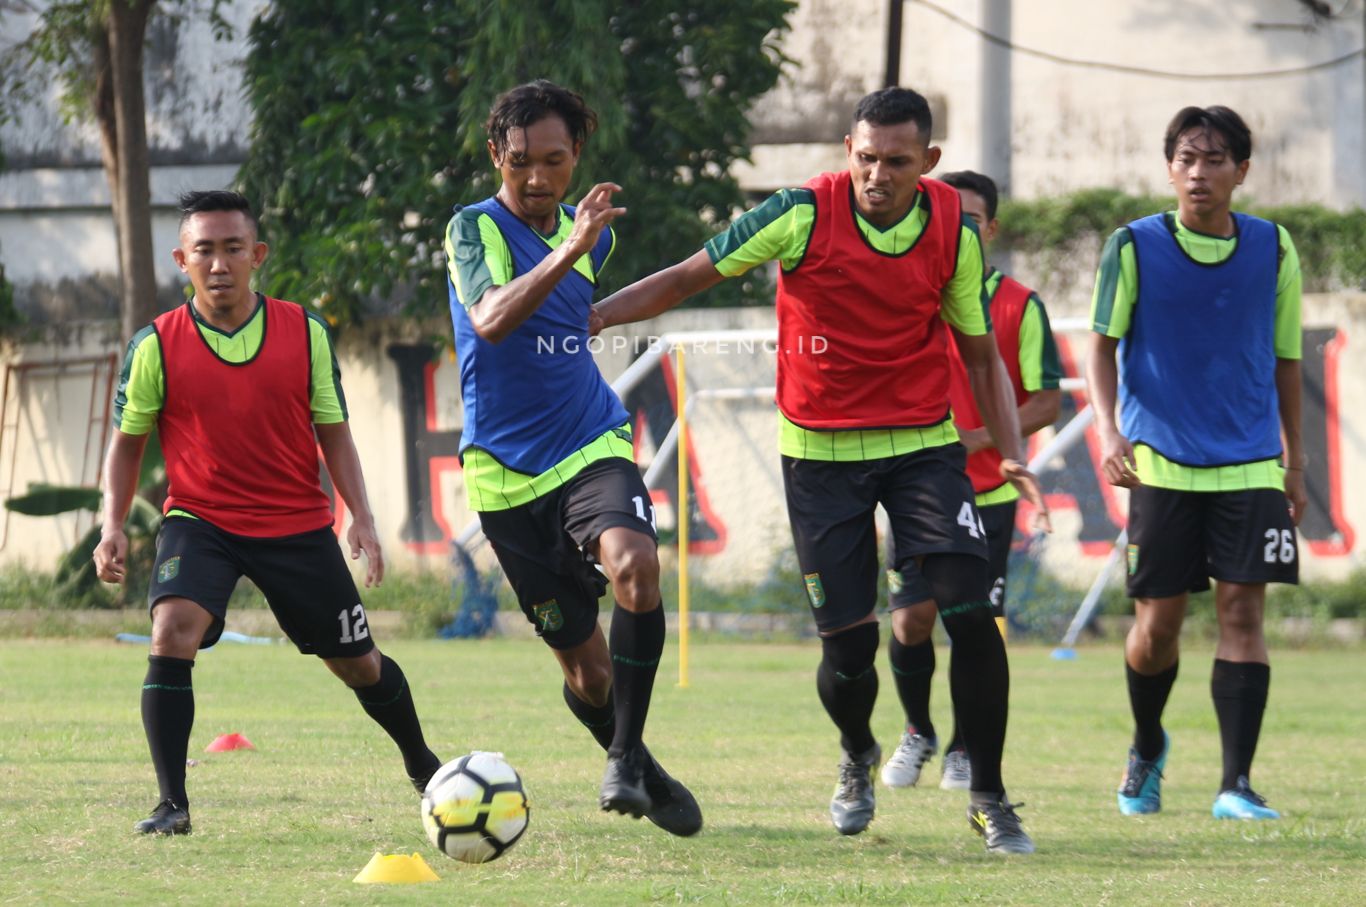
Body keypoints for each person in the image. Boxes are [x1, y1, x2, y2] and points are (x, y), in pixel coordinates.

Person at [593, 87, 1049, 854]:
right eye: (864, 157)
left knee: (968, 608)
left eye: (895, 162)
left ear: (928, 162)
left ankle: (991, 797)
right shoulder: (799, 212)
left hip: (922, 447)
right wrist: (599, 312)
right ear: (848, 150)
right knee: (848, 654)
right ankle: (857, 754)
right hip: (821, 456)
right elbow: (685, 276)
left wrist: (1008, 449)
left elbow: (979, 354)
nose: (876, 174)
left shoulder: (952, 228)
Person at [94, 190, 443, 835]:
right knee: (171, 630)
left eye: (233, 249)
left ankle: (423, 763)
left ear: (257, 255)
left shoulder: (303, 332)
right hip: (200, 521)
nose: (219, 263)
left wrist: (359, 516)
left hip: (296, 526)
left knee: (358, 663)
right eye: (204, 250)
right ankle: (173, 804)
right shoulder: (156, 346)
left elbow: (334, 433)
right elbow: (126, 446)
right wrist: (112, 524)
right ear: (182, 259)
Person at [442, 80, 700, 836]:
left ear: (576, 155)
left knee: (636, 566)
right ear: (497, 155)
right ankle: (643, 763)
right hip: (505, 475)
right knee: (587, 673)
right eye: (519, 161)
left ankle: (621, 759)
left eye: (553, 161)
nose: (536, 178)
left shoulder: (594, 235)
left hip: (590, 442)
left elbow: (591, 305)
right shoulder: (471, 228)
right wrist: (569, 248)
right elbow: (490, 318)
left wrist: (590, 279)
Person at [1086, 105, 1306, 821]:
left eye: (1215, 159)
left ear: (1242, 171)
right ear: (1169, 167)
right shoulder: (1132, 246)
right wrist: (1111, 433)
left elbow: (1286, 359)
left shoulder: (1274, 248)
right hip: (1162, 464)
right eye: (1186, 157)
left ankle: (1235, 783)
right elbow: (1100, 346)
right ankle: (1148, 745)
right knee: (1159, 629)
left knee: (1244, 614)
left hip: (1249, 461)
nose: (1198, 172)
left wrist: (1294, 460)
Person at [880, 170, 1061, 793]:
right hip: (911, 486)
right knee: (909, 622)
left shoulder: (1018, 304)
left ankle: (964, 748)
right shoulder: (910, 292)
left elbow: (1044, 402)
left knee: (973, 625)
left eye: (973, 218)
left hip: (987, 493)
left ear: (991, 227)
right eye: (951, 216)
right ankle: (916, 732)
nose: (962, 227)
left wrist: (979, 438)